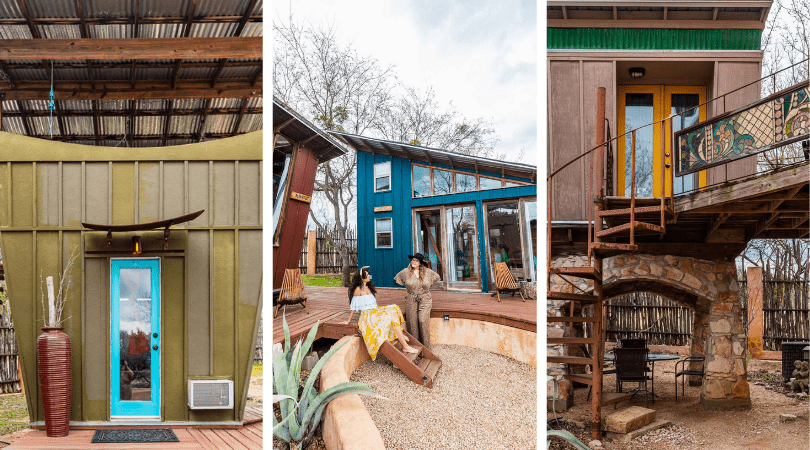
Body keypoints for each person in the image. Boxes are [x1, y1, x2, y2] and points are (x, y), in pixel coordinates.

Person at [346, 266, 419, 360]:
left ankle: (399, 333)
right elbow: (353, 307)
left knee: (394, 308)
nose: (369, 277)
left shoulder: (368, 287)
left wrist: (380, 312)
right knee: (390, 317)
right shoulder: (358, 290)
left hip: (374, 311)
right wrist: (348, 321)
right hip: (367, 316)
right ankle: (405, 346)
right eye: (367, 275)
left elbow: (373, 304)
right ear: (362, 278)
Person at [394, 253, 441, 349]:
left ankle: (426, 348)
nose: (413, 262)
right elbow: (398, 279)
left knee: (423, 320)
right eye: (412, 260)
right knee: (412, 323)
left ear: (420, 263)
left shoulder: (428, 272)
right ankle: (415, 346)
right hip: (411, 298)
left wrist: (428, 285)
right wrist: (410, 286)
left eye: (416, 261)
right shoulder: (405, 272)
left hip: (425, 298)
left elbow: (436, 277)